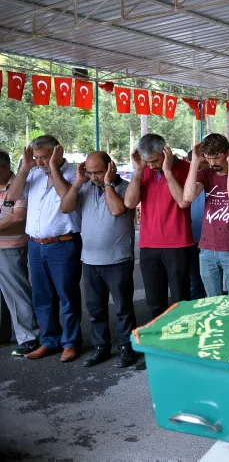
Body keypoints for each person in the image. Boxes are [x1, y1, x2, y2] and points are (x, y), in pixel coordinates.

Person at [4, 137, 82, 361]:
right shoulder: (34, 172)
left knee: (67, 295)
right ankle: (50, 340)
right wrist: (26, 167)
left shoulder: (73, 172)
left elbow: (67, 200)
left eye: (44, 157)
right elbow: (13, 196)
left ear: (58, 151)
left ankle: (70, 342)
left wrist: (54, 168)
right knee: (42, 297)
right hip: (36, 245)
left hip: (63, 243)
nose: (40, 162)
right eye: (37, 158)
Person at [57, 152, 138, 368]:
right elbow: (65, 207)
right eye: (90, 172)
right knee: (95, 309)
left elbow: (118, 209)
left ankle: (126, 348)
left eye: (99, 172)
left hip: (118, 259)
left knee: (123, 309)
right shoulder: (85, 186)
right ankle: (101, 347)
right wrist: (77, 183)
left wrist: (109, 184)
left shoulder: (125, 187)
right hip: (90, 261)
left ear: (110, 167)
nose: (94, 177)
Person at [124, 133, 193, 321]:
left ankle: (183, 342)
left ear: (166, 152)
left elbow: (183, 201)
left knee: (181, 299)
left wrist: (168, 171)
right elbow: (130, 203)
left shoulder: (186, 169)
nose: (152, 165)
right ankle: (159, 343)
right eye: (148, 162)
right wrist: (138, 171)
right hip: (148, 246)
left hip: (179, 245)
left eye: (155, 160)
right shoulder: (143, 170)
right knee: (154, 301)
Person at [183, 134, 229, 297]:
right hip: (207, 248)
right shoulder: (205, 174)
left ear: (227, 152)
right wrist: (195, 162)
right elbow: (188, 197)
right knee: (212, 301)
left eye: (217, 157)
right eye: (209, 158)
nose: (212, 163)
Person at [0, 150, 39, 357]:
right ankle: (3, 333)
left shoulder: (19, 185)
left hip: (10, 248)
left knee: (17, 294)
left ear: (5, 167)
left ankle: (29, 338)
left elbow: (17, 218)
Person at [186, 150, 208, 300]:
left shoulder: (214, 181)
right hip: (190, 240)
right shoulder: (186, 183)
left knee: (213, 283)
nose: (201, 169)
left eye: (204, 164)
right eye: (197, 165)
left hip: (211, 241)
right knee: (194, 282)